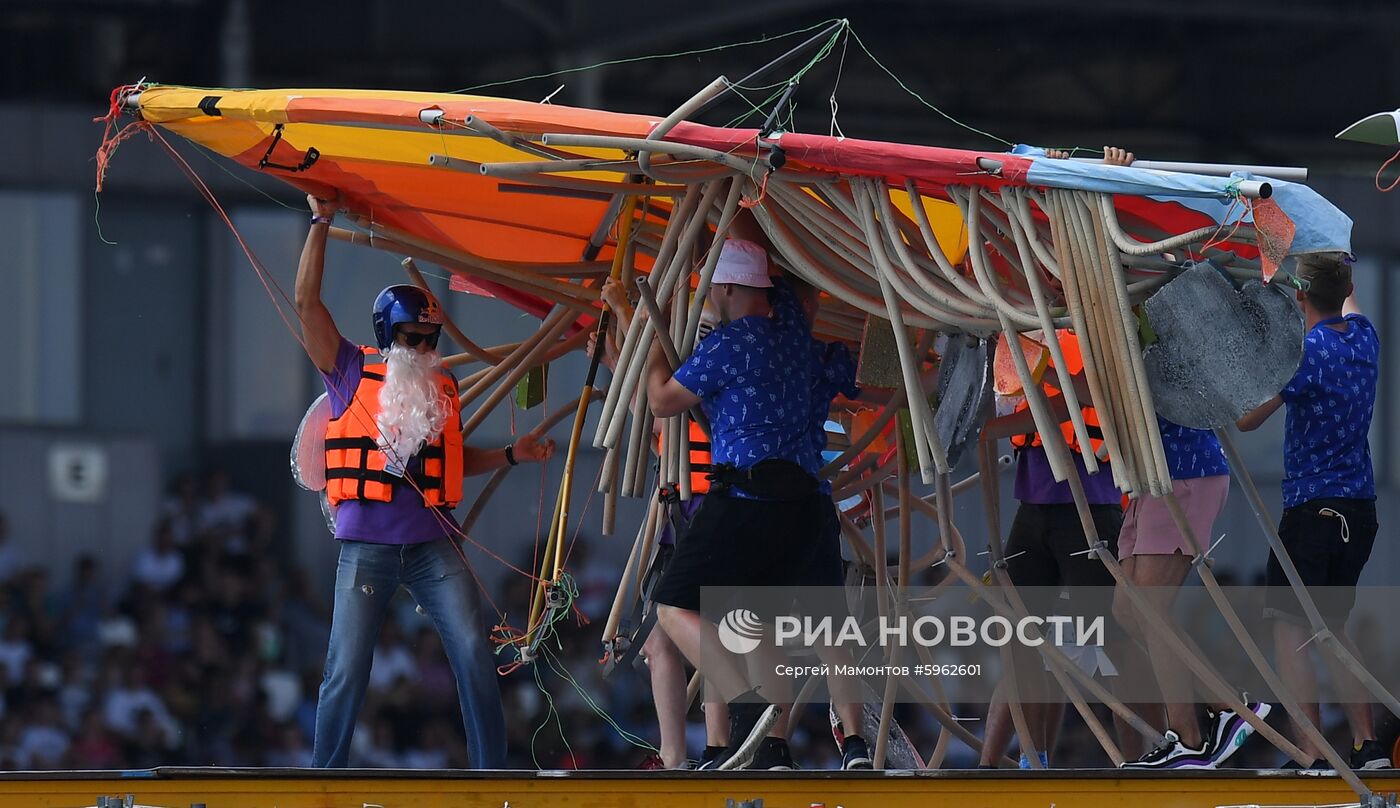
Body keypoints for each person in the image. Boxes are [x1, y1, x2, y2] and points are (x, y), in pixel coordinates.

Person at [295, 194, 556, 768]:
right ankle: (323, 778)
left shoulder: (443, 391)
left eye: (431, 340)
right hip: (366, 546)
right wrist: (319, 222)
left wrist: (514, 453)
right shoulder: (347, 370)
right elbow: (306, 302)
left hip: (435, 544)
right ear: (389, 335)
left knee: (472, 653)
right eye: (413, 338)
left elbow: (452, 465)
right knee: (346, 666)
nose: (424, 350)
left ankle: (491, 775)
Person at [646, 238, 823, 771]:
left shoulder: (732, 342)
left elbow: (660, 399)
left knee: (673, 606)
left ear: (723, 288)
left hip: (745, 496)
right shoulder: (794, 329)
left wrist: (659, 338)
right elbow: (806, 293)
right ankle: (774, 745)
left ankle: (748, 705)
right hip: (802, 506)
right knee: (757, 624)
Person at [1237, 251, 1387, 770]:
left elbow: (1246, 420)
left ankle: (1310, 750)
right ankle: (1366, 745)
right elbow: (1349, 298)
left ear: (1299, 294)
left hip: (1313, 509)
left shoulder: (1302, 352)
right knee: (1335, 627)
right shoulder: (1364, 338)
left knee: (1289, 628)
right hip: (1359, 511)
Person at [976, 329, 1131, 769]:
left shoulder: (1100, 323)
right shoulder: (1018, 327)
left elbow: (1073, 400)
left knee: (1110, 643)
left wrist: (995, 427)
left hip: (1091, 503)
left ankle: (1142, 755)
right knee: (1021, 640)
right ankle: (1023, 759)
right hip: (1035, 502)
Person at [1114, 417, 1270, 768]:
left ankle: (1187, 738)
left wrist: (1047, 374)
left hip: (1183, 471)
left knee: (1151, 609)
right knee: (1127, 609)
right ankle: (1227, 705)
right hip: (1147, 479)